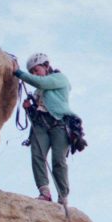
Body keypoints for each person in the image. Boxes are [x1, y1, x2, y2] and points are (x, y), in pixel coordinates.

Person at [13, 52, 74, 205]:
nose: (34, 74)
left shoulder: (59, 79)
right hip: (41, 124)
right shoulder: (37, 92)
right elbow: (38, 107)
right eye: (32, 72)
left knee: (58, 160)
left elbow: (42, 83)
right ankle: (44, 191)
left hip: (59, 123)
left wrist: (19, 73)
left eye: (36, 70)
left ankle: (63, 195)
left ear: (46, 66)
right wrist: (29, 109)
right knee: (37, 154)